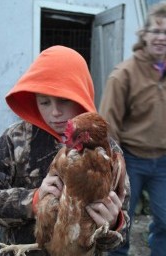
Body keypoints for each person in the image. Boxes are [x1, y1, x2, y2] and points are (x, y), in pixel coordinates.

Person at [0, 45, 129, 256]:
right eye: (44, 102)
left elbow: (121, 233)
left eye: (64, 100)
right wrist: (32, 200)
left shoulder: (109, 152)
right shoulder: (14, 141)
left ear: (82, 95)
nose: (55, 112)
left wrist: (114, 223)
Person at [99, 2, 166, 256]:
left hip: (162, 162)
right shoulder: (123, 75)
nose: (161, 38)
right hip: (131, 160)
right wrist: (116, 167)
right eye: (156, 31)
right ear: (144, 35)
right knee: (120, 224)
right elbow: (108, 126)